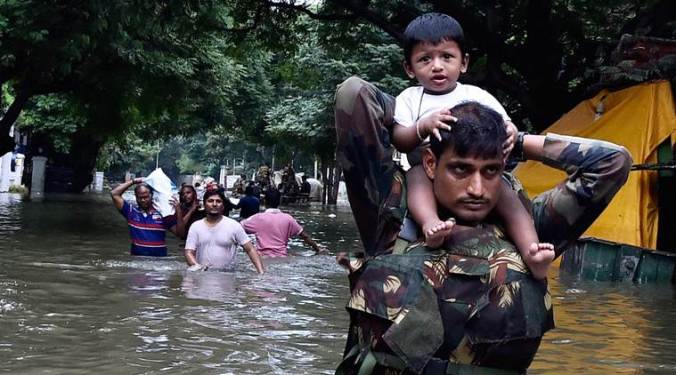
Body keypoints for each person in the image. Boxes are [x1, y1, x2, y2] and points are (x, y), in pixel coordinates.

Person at [334, 76, 632, 372]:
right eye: (460, 169)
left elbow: (612, 162)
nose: (477, 189)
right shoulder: (390, 208)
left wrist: (518, 143)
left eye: (490, 171)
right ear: (429, 164)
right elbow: (354, 94)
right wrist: (414, 124)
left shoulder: (531, 228)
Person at [388, 13, 555, 279]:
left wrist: (510, 132)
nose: (437, 66)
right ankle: (430, 223)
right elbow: (400, 139)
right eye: (425, 59)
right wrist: (423, 126)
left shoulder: (475, 95)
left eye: (447, 57)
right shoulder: (409, 98)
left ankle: (532, 251)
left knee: (507, 194)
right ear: (409, 68)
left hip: (475, 166)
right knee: (416, 174)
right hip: (427, 169)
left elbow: (506, 125)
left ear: (463, 62)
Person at [184, 190, 265, 273]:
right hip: (202, 275)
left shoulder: (233, 225)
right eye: (210, 201)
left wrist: (261, 273)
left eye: (218, 201)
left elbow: (250, 249)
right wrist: (197, 266)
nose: (214, 204)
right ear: (204, 204)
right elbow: (188, 252)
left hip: (227, 276)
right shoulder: (196, 226)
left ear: (223, 205)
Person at [111, 177, 185, 256]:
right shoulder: (131, 212)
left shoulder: (163, 213)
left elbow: (180, 234)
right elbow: (114, 193)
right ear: (136, 197)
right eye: (140, 198)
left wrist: (179, 211)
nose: (143, 200)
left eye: (146, 197)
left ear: (152, 195)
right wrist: (134, 181)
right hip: (137, 261)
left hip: (160, 262)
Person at [241, 189, 325, 257]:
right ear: (279, 201)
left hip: (262, 258)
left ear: (265, 201)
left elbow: (238, 228)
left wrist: (247, 248)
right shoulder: (288, 218)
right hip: (282, 257)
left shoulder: (257, 218)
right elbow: (305, 237)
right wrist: (318, 249)